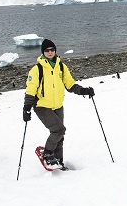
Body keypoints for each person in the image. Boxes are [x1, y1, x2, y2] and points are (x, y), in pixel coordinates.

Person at [22, 39, 95, 170]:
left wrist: (84, 90)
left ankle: (59, 161)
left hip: (58, 105)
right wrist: (26, 108)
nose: (50, 52)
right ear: (43, 52)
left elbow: (70, 84)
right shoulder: (37, 69)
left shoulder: (61, 66)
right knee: (59, 130)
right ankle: (48, 153)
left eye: (52, 50)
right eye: (47, 50)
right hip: (42, 106)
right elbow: (31, 89)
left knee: (60, 135)